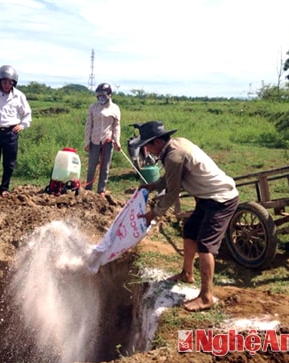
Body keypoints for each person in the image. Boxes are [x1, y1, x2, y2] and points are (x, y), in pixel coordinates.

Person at [136, 120, 239, 312]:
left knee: (205, 245)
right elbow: (170, 178)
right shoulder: (176, 145)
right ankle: (187, 273)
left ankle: (206, 296)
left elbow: (173, 192)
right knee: (190, 230)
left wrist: (153, 213)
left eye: (148, 145)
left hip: (220, 199)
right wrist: (152, 186)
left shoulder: (173, 156)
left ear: (157, 142)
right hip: (206, 197)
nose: (148, 151)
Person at [0, 65, 32, 198]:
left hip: (11, 133)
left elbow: (27, 113)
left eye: (10, 82)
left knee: (9, 163)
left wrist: (22, 125)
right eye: (4, 82)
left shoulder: (19, 96)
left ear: (14, 83)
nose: (7, 85)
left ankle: (4, 188)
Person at [84, 83, 121, 197]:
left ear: (109, 95)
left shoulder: (115, 109)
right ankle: (88, 188)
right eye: (99, 95)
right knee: (91, 166)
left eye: (103, 95)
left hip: (107, 141)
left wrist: (117, 141)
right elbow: (88, 125)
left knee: (105, 167)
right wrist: (87, 141)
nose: (101, 97)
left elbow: (116, 126)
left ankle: (101, 190)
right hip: (94, 141)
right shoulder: (93, 107)